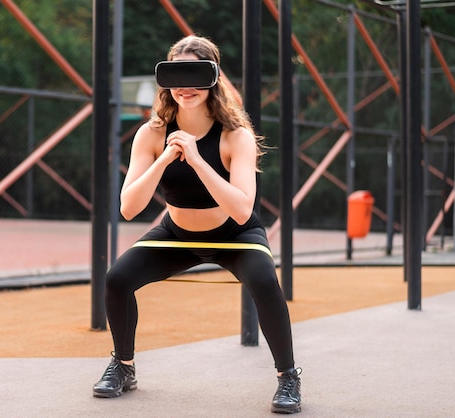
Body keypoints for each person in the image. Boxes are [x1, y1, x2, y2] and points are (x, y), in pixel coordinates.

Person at [92, 34, 302, 414]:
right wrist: (164, 159)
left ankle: (288, 376)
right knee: (117, 278)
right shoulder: (151, 134)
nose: (185, 87)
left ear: (213, 79)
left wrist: (196, 157)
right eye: (176, 75)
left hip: (234, 235)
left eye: (195, 75)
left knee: (264, 278)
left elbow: (241, 210)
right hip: (177, 234)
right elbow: (128, 208)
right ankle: (123, 368)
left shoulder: (235, 136)